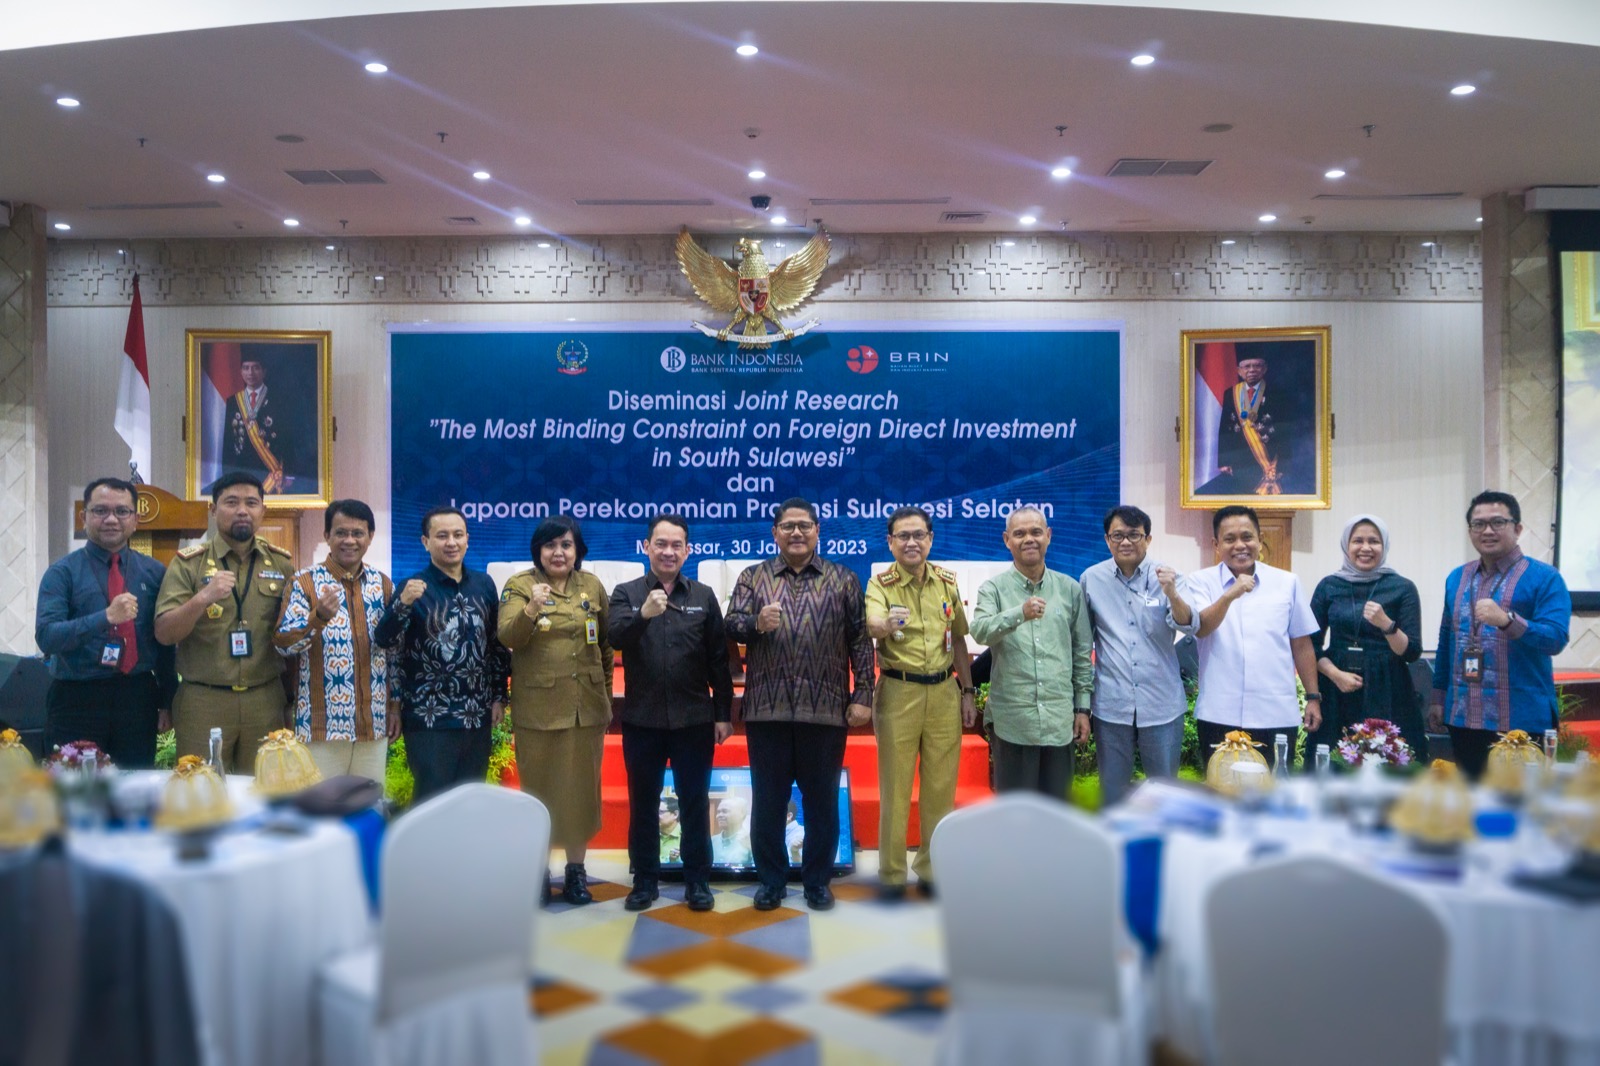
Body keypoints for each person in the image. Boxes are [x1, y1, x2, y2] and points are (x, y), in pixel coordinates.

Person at [726, 498, 875, 912]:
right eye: (788, 526)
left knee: (822, 803)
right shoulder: (753, 577)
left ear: (817, 531)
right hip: (767, 709)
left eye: (804, 525)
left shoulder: (843, 579)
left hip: (825, 709)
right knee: (768, 802)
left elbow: (860, 640)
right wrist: (755, 623)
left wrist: (864, 694)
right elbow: (730, 623)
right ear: (774, 533)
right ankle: (771, 882)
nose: (796, 532)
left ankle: (817, 882)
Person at [608, 513, 733, 912]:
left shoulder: (703, 595)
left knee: (694, 802)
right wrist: (642, 614)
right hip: (642, 719)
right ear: (646, 547)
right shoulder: (626, 593)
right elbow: (613, 637)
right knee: (643, 802)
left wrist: (723, 713)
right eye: (660, 544)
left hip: (693, 718)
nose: (668, 551)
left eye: (676, 545)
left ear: (688, 551)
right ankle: (645, 880)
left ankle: (698, 881)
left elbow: (719, 660)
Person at [498, 515, 612, 906]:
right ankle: (539, 873)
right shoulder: (520, 585)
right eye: (550, 545)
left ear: (578, 550)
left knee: (581, 794)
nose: (558, 552)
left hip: (586, 708)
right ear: (538, 551)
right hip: (539, 709)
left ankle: (576, 872)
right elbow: (508, 636)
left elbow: (606, 645)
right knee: (540, 794)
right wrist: (532, 607)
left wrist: (605, 694)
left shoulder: (591, 586)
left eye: (566, 544)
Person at [865, 505, 976, 901]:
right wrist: (885, 625)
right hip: (899, 691)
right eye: (903, 536)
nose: (911, 542)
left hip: (944, 692)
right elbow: (872, 623)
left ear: (930, 539)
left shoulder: (946, 582)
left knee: (940, 788)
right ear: (890, 542)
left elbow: (958, 638)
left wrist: (967, 691)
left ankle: (931, 869)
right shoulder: (880, 584)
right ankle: (892, 874)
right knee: (895, 788)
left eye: (919, 535)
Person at [154, 472, 292, 770]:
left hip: (264, 699)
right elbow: (165, 633)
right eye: (231, 502)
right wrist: (203, 598)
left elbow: (292, 638)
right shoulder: (189, 564)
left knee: (263, 786)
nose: (242, 510)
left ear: (263, 511)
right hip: (204, 700)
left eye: (251, 503)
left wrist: (291, 702)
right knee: (200, 785)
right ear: (214, 510)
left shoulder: (281, 564)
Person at [34, 477, 175, 767]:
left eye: (122, 511)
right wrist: (105, 617)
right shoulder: (62, 573)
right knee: (76, 787)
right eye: (100, 511)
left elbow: (164, 642)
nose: (111, 519)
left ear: (135, 520)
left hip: (137, 697)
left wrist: (166, 700)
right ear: (83, 517)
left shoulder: (154, 572)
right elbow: (47, 636)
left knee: (133, 784)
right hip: (77, 697)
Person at [1430, 491, 1571, 779]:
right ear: (1470, 530)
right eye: (1478, 524)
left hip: (1521, 720)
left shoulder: (1545, 578)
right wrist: (1438, 698)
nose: (1487, 531)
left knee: (1521, 802)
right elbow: (1446, 642)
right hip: (1463, 716)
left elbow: (1556, 638)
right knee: (1471, 798)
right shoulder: (1457, 578)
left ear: (1517, 528)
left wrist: (1508, 621)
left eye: (1498, 522)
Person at [375, 506, 508, 804]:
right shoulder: (412, 587)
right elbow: (384, 639)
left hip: (476, 716)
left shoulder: (484, 585)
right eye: (442, 536)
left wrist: (499, 696)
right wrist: (403, 604)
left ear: (467, 539)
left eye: (458, 535)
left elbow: (496, 645)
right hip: (429, 718)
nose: (451, 542)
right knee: (432, 801)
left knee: (471, 800)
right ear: (426, 542)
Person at [971, 506, 1094, 800]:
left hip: (1059, 720)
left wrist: (1082, 708)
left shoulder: (1069, 589)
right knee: (1015, 813)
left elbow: (1081, 653)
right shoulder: (993, 589)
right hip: (1013, 721)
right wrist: (1019, 614)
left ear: (1048, 536)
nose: (1029, 539)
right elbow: (980, 631)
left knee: (1056, 810)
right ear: (1007, 540)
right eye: (1020, 533)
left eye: (1036, 532)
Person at [1186, 505, 1322, 769]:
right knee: (1221, 787)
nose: (1240, 545)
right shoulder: (1200, 582)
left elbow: (1301, 644)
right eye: (1229, 539)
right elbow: (1202, 627)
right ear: (1216, 545)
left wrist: (1313, 698)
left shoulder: (1287, 583)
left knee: (1274, 788)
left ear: (1260, 540)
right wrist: (1230, 594)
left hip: (1275, 712)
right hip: (1219, 711)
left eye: (1247, 537)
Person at [1077, 505, 1196, 807]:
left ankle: (1161, 837)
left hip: (1161, 704)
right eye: (1118, 536)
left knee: (1163, 791)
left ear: (1148, 539)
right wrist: (1081, 703)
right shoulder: (1091, 579)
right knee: (1113, 792)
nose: (1126, 542)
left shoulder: (1168, 577)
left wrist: (1172, 593)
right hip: (1111, 704)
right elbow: (1082, 642)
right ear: (1107, 540)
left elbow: (1188, 624)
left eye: (1134, 535)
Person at [272, 499, 398, 783]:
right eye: (341, 533)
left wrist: (394, 707)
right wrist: (317, 618)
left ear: (370, 537)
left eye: (358, 533)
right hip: (321, 728)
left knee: (368, 805)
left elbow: (394, 654)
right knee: (320, 807)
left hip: (373, 726)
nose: (349, 540)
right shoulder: (304, 583)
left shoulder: (383, 585)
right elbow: (282, 643)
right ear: (327, 535)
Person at [1308, 514, 1427, 764]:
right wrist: (1335, 675)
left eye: (1374, 541)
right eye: (1358, 541)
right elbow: (1310, 646)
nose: (1365, 548)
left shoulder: (1402, 587)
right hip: (1336, 688)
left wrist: (1387, 625)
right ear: (1346, 545)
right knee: (1333, 763)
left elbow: (1412, 652)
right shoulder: (1329, 586)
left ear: (1384, 546)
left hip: (1388, 688)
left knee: (1388, 763)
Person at [1200, 350, 1313, 497]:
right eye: (1247, 366)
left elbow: (1284, 430)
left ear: (1264, 369)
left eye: (1257, 365)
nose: (1252, 370)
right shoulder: (1230, 393)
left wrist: (1283, 464)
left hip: (1269, 462)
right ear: (1239, 371)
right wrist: (1223, 461)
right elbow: (1225, 428)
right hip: (1240, 461)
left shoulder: (1277, 393)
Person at [224, 355, 313, 494]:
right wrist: (227, 477)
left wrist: (288, 473)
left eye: (255, 368)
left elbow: (289, 440)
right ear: (240, 371)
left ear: (264, 371)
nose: (250, 373)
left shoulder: (280, 400)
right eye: (246, 368)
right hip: (243, 476)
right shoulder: (233, 402)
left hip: (273, 475)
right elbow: (229, 444)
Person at [711, 794, 754, 866]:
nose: (719, 815)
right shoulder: (712, 841)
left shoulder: (751, 842)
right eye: (718, 812)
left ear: (742, 814)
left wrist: (752, 850)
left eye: (725, 811)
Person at [659, 796, 682, 864]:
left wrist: (674, 861)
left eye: (660, 812)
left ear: (675, 814)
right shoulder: (648, 835)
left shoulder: (688, 836)